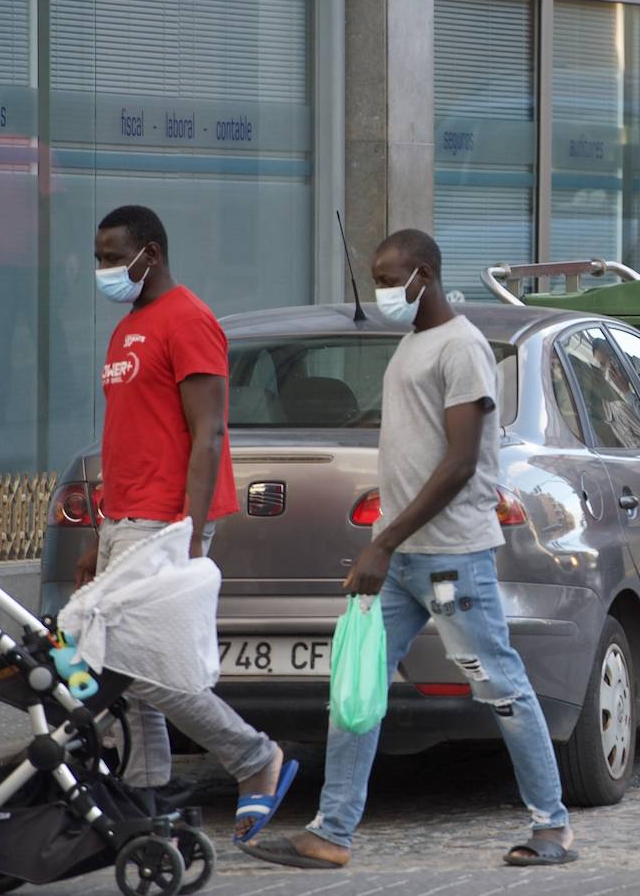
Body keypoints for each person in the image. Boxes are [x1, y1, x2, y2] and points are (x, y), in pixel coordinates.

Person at [240, 229, 577, 869]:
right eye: (377, 278)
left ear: (425, 273)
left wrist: (383, 542)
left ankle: (552, 827)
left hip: (451, 561)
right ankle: (332, 832)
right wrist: (386, 547)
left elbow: (458, 463)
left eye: (391, 277)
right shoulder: (414, 344)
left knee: (502, 689)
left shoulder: (463, 348)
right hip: (398, 562)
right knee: (356, 684)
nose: (383, 290)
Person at [77, 205, 297, 843]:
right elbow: (125, 436)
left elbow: (210, 432)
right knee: (133, 676)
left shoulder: (190, 320)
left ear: (151, 252)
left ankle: (256, 758)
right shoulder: (128, 329)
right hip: (123, 518)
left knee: (142, 668)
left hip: (166, 522)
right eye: (98, 258)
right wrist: (98, 535)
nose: (104, 269)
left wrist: (192, 533)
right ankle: (148, 803)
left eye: (113, 257)